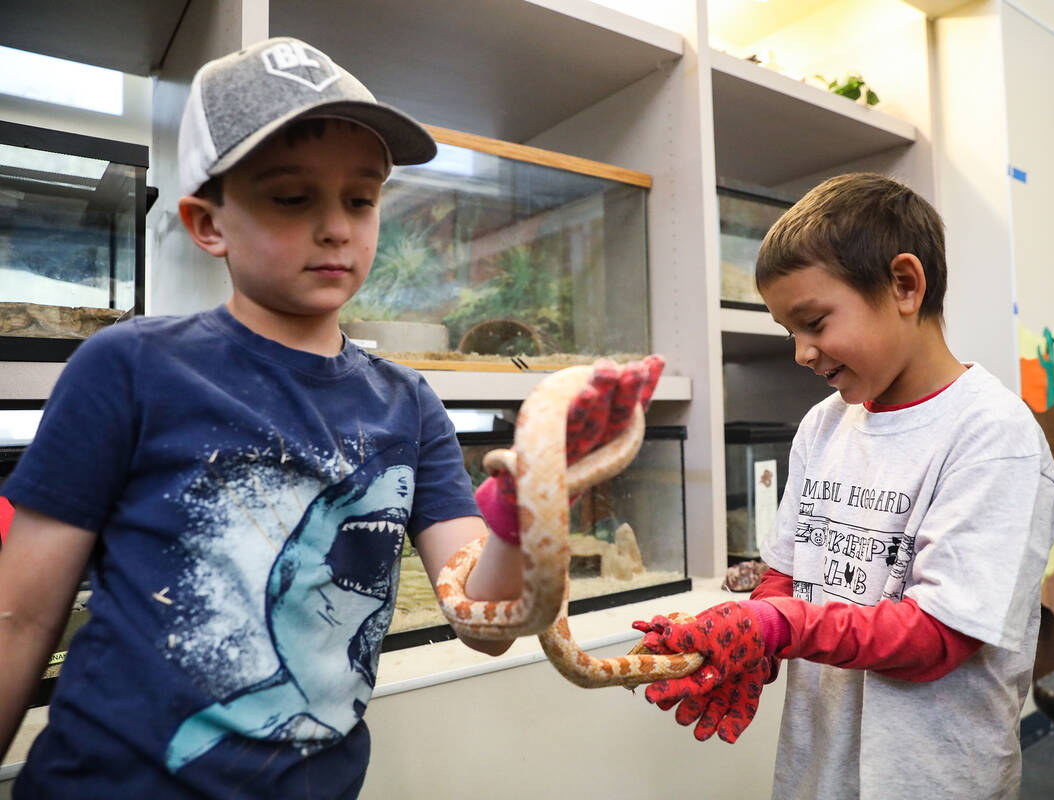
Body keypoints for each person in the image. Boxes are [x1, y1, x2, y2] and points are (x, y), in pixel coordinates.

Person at [0, 36, 658, 798]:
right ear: (206, 223)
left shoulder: (408, 404)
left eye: (361, 198)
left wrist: (525, 507)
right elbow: (18, 619)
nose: (336, 227)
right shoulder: (129, 368)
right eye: (291, 198)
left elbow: (484, 624)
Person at [635, 173, 1054, 799]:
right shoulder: (824, 425)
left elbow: (939, 638)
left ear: (904, 285)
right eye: (790, 333)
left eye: (814, 321)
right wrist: (746, 634)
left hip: (931, 779)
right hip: (817, 768)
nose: (803, 353)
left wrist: (781, 627)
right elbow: (790, 570)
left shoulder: (995, 438)